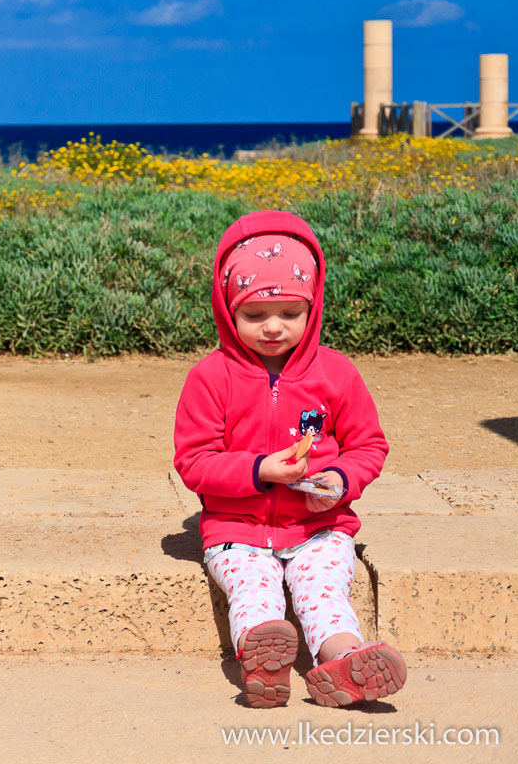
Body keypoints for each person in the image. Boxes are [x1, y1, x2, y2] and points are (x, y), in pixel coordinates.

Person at [173, 209, 407, 708]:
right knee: (253, 594)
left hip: (318, 527)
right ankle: (263, 659)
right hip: (236, 529)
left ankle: (345, 658)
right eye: (255, 315)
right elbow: (194, 460)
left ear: (313, 307)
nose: (273, 328)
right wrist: (259, 471)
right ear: (227, 310)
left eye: (289, 314)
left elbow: (370, 445)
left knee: (325, 591)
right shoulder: (211, 378)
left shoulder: (337, 374)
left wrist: (340, 481)